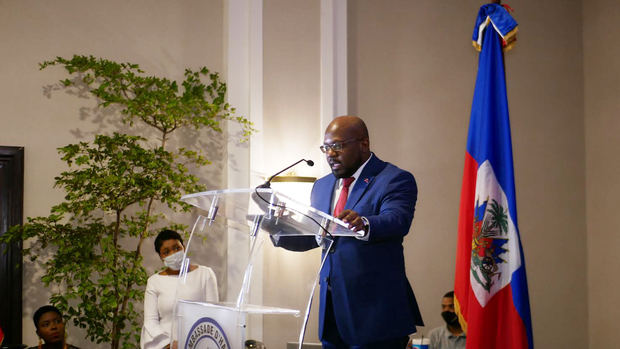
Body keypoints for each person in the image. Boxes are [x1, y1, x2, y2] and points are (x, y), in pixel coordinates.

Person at [275, 115, 423, 348]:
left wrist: (364, 223)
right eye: (326, 147)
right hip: (332, 312)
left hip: (376, 314)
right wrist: (280, 227)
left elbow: (397, 220)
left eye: (338, 146)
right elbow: (316, 235)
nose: (330, 154)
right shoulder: (321, 186)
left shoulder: (394, 179)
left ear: (363, 143)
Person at [140, 229, 219, 349]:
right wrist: (169, 344)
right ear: (161, 257)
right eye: (166, 252)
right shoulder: (154, 282)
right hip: (165, 345)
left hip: (199, 343)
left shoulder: (205, 274)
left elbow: (213, 315)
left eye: (176, 248)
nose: (173, 254)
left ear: (184, 247)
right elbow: (150, 322)